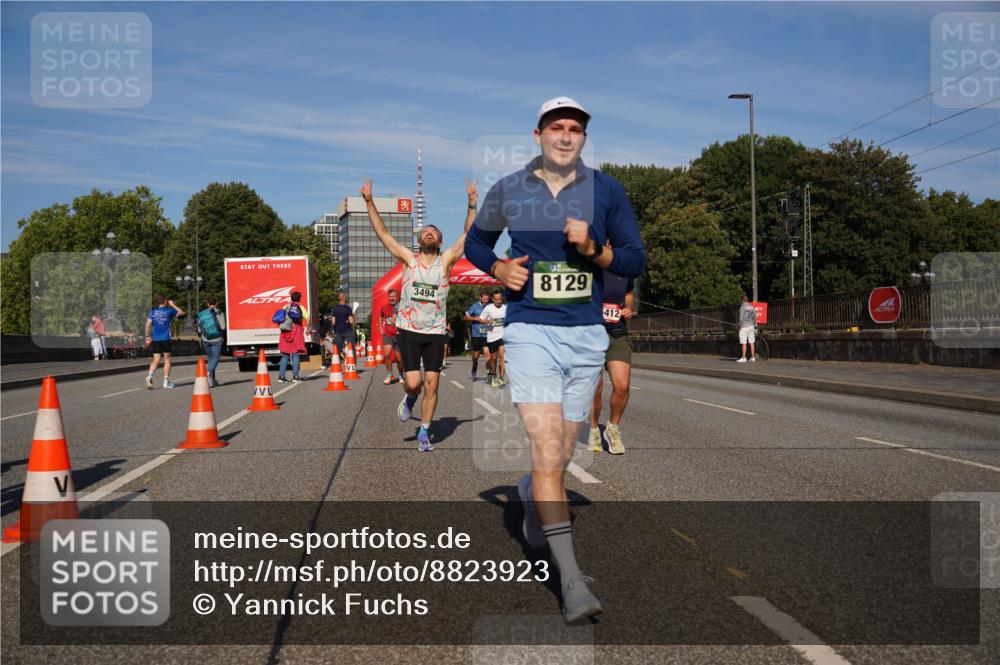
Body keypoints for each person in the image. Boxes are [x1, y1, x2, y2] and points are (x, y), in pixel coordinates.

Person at [464, 97, 646, 622]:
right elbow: (477, 242)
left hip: (587, 335)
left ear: (583, 138)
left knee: (562, 455)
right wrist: (498, 269)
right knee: (548, 448)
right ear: (539, 134)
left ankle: (527, 492)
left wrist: (597, 251)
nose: (566, 136)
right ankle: (570, 582)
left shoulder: (607, 189)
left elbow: (634, 256)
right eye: (557, 127)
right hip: (529, 332)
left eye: (576, 129)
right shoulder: (511, 188)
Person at [361, 176, 478, 452]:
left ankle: (424, 430)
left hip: (436, 332)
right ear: (419, 239)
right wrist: (369, 202)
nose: (428, 233)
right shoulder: (408, 260)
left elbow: (469, 237)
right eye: (425, 231)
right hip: (410, 330)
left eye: (433, 232)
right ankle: (410, 398)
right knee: (413, 383)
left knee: (433, 383)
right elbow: (384, 235)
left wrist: (472, 204)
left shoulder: (446, 261)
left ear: (439, 241)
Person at [589, 265, 635, 454]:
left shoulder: (624, 270)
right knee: (595, 389)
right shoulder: (586, 269)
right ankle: (593, 430)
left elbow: (629, 294)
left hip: (617, 334)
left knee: (622, 385)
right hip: (590, 334)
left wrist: (629, 308)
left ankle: (612, 428)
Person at [145, 295, 185, 389]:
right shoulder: (169, 311)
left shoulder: (152, 311)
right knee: (167, 360)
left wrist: (147, 337)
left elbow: (147, 325)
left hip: (155, 339)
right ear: (165, 301)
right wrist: (173, 305)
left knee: (156, 360)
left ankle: (149, 376)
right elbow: (182, 313)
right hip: (166, 338)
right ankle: (165, 382)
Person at [277, 291, 309, 383]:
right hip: (296, 331)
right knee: (295, 354)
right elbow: (307, 317)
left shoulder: (285, 306)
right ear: (299, 298)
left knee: (285, 354)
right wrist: (308, 328)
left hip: (285, 332)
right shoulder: (301, 307)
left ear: (291, 298)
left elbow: (281, 318)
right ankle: (295, 376)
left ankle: (281, 377)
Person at [479, 290, 507, 388]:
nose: (499, 301)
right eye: (496, 299)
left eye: (500, 299)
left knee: (503, 357)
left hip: (503, 335)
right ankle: (494, 376)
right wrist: (487, 321)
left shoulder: (506, 308)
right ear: (493, 299)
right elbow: (480, 319)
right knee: (494, 358)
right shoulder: (488, 308)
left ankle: (501, 378)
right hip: (492, 337)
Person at [197, 295, 226, 387]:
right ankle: (208, 374)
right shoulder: (219, 312)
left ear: (207, 303)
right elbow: (223, 327)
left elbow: (199, 329)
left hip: (205, 340)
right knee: (215, 359)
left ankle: (212, 380)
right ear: (216, 303)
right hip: (217, 339)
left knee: (211, 359)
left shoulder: (201, 314)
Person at [464, 291, 492, 380]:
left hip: (488, 334)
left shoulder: (491, 306)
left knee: (487, 354)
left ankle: (489, 373)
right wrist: (474, 318)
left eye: (487, 299)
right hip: (476, 334)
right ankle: (474, 365)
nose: (485, 301)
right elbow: (466, 317)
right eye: (484, 299)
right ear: (480, 298)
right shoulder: (474, 306)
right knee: (476, 355)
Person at [379, 289, 402, 384]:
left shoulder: (401, 307)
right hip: (388, 334)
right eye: (390, 296)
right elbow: (380, 316)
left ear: (397, 297)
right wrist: (380, 327)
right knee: (386, 354)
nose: (392, 298)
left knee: (399, 358)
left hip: (399, 335)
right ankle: (390, 374)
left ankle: (401, 375)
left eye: (394, 296)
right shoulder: (384, 307)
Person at [331, 292, 356, 357]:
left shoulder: (335, 309)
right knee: (351, 348)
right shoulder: (348, 309)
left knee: (338, 347)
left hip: (338, 331)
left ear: (339, 299)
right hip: (348, 331)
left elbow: (333, 322)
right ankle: (353, 364)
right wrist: (353, 315)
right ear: (344, 299)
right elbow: (351, 321)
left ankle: (341, 355)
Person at [738, 294, 758, 362]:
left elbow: (741, 318)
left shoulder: (742, 307)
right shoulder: (751, 306)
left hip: (744, 327)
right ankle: (753, 357)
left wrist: (739, 326)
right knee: (752, 342)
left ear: (742, 300)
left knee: (744, 342)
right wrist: (755, 325)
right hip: (751, 326)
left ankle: (744, 358)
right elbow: (755, 317)